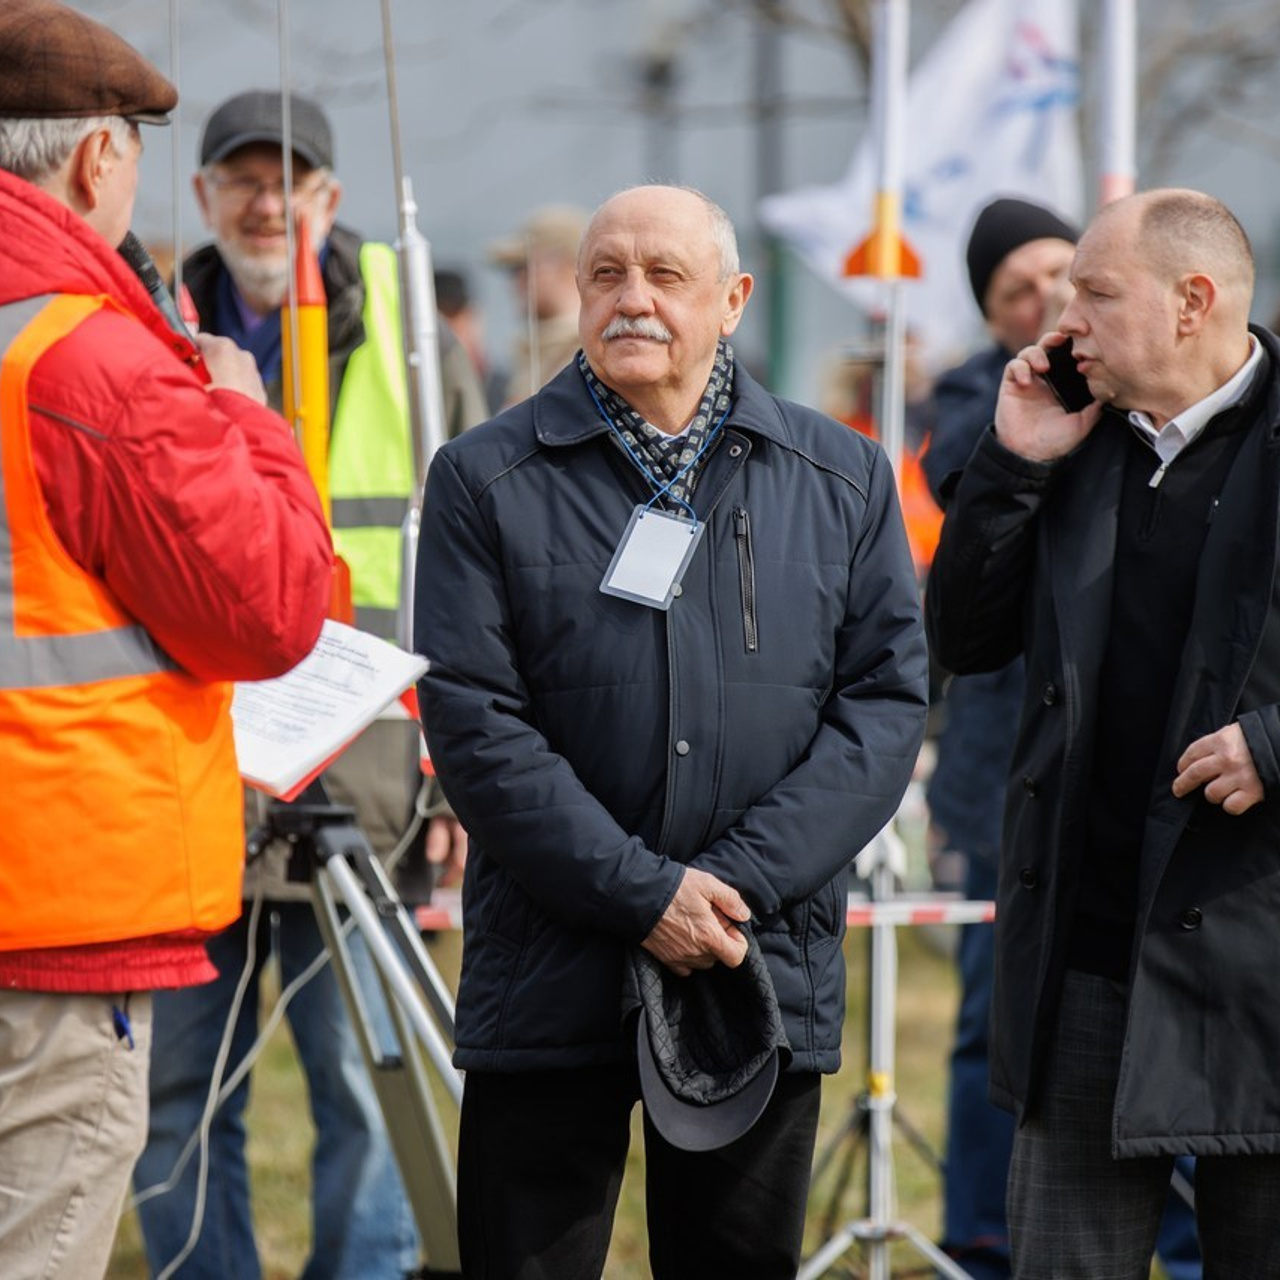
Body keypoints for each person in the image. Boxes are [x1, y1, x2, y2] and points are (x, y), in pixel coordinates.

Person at [415, 183, 929, 1279]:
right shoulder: (483, 478)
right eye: (605, 273)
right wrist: (643, 893)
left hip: (751, 965)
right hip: (550, 967)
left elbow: (881, 707)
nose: (630, 299)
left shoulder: (839, 480)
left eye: (664, 275)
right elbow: (474, 719)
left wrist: (725, 888)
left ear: (733, 299)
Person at [0, 5, 333, 1278]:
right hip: (57, 913)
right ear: (98, 158)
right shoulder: (89, 363)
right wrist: (247, 422)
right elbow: (268, 609)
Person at [133, 90, 478, 1280]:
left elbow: (482, 583)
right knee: (177, 1086)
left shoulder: (414, 338)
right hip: (187, 784)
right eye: (240, 178)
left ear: (331, 198)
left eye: (291, 180)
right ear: (203, 198)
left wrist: (455, 786)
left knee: (367, 1082)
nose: (266, 202)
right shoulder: (139, 323)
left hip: (369, 787)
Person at [926, 187, 1280, 1278]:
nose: (1058, 320)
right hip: (1085, 948)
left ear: (1192, 301)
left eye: (1091, 291)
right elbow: (964, 638)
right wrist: (1012, 459)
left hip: (1263, 958)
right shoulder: (1070, 431)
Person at [488, 202, 587, 405]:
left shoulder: (590, 354)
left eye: (524, 267)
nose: (517, 281)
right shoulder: (534, 351)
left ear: (568, 266)